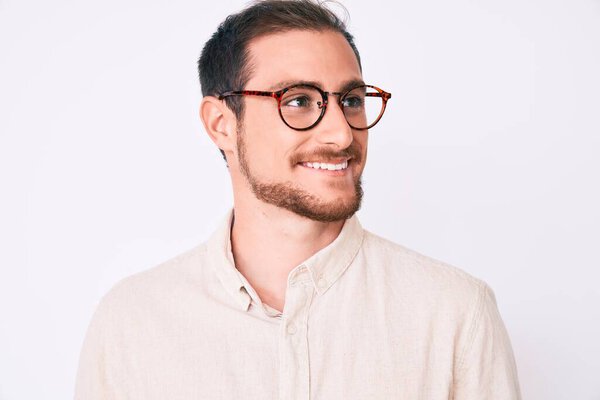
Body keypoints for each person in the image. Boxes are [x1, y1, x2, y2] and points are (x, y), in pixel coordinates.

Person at [74, 1, 522, 399]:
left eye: (350, 100)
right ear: (221, 124)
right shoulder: (132, 324)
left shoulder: (455, 314)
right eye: (299, 100)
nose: (342, 133)